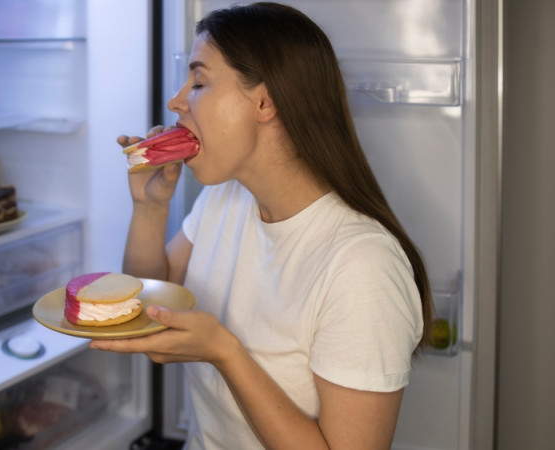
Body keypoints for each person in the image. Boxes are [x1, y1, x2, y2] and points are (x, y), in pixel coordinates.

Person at [90, 2, 433, 449]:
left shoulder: (362, 266)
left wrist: (225, 353)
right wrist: (150, 208)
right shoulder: (226, 200)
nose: (176, 102)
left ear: (265, 101)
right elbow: (147, 299)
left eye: (198, 82)